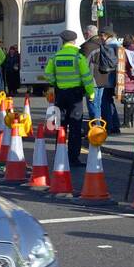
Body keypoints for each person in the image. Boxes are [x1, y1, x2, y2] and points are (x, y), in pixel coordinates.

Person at [43, 29, 95, 168]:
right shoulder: (78, 57)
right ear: (74, 41)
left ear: (63, 41)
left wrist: (55, 83)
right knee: (75, 126)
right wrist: (90, 93)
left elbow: (47, 74)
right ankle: (73, 158)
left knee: (61, 125)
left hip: (60, 95)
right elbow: (86, 77)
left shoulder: (56, 57)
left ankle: (60, 154)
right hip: (75, 95)